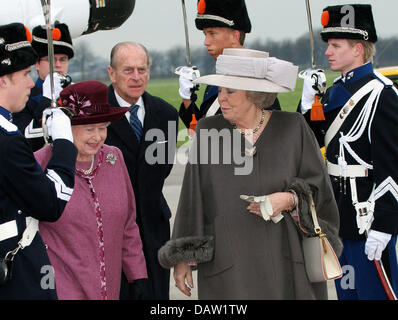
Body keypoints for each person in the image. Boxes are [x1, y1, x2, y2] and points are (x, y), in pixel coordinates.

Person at [158, 48, 342, 299]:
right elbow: (192, 199)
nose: (221, 98)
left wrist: (289, 199)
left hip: (287, 263)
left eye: (230, 91)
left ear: (255, 94)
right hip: (228, 268)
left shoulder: (293, 128)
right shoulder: (207, 131)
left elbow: (321, 192)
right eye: (220, 90)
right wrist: (182, 258)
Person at [299, 4, 398, 299]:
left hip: (368, 221)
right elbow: (309, 142)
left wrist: (385, 224)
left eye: (335, 45)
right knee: (348, 295)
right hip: (338, 219)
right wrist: (306, 106)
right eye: (328, 45)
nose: (328, 51)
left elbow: (392, 166)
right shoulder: (332, 94)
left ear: (358, 49)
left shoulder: (382, 94)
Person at [34, 80, 147, 300]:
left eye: (103, 127)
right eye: (89, 129)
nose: (97, 136)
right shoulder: (40, 164)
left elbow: (128, 225)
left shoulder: (114, 158)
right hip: (59, 289)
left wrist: (138, 276)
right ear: (65, 128)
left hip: (110, 290)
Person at [0, 22, 77, 299]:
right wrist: (66, 144)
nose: (32, 82)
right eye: (24, 74)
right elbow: (50, 202)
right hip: (16, 270)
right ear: (3, 80)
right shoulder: (6, 140)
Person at [105, 42, 179, 300]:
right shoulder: (95, 116)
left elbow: (163, 169)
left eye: (142, 69)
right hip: (110, 234)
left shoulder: (167, 114)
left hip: (154, 230)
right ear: (112, 73)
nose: (136, 77)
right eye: (128, 70)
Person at [178, 0, 280, 129]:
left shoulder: (256, 81)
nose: (206, 42)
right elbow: (204, 132)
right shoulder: (215, 82)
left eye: (212, 33)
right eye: (205, 34)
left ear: (234, 36)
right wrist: (187, 98)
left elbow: (270, 134)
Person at [13, 22, 74, 152]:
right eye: (50, 59)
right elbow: (25, 141)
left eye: (63, 59)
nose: (57, 65)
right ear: (37, 64)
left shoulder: (77, 96)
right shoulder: (24, 97)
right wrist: (46, 100)